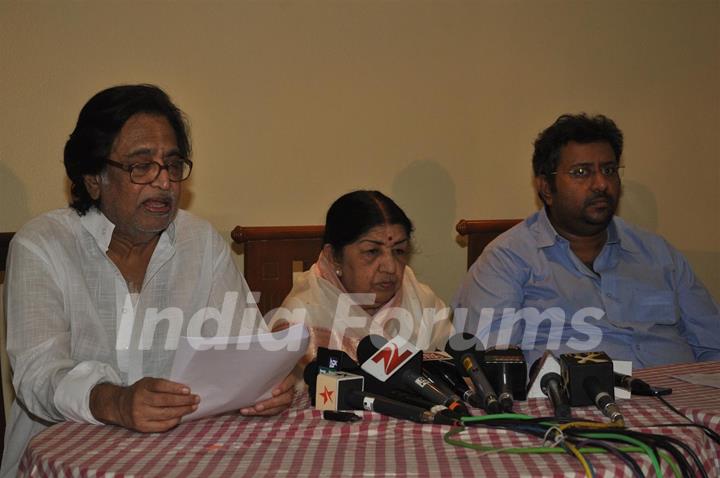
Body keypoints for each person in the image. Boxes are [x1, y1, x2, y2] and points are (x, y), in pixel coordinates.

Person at [1, 84, 295, 476]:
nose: (163, 182)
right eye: (141, 166)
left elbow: (242, 350)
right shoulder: (43, 245)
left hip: (184, 459)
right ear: (93, 178)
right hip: (64, 463)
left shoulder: (201, 242)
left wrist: (269, 385)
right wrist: (116, 402)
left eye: (172, 165)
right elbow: (38, 374)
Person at [453, 113, 720, 369]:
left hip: (685, 405)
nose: (601, 184)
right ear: (546, 188)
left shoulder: (658, 254)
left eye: (609, 169)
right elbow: (493, 369)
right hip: (576, 410)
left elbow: (713, 347)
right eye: (581, 172)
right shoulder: (506, 260)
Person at [270, 190, 452, 369]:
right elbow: (288, 393)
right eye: (372, 252)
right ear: (334, 257)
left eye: (399, 251)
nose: (390, 267)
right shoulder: (303, 318)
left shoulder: (422, 301)